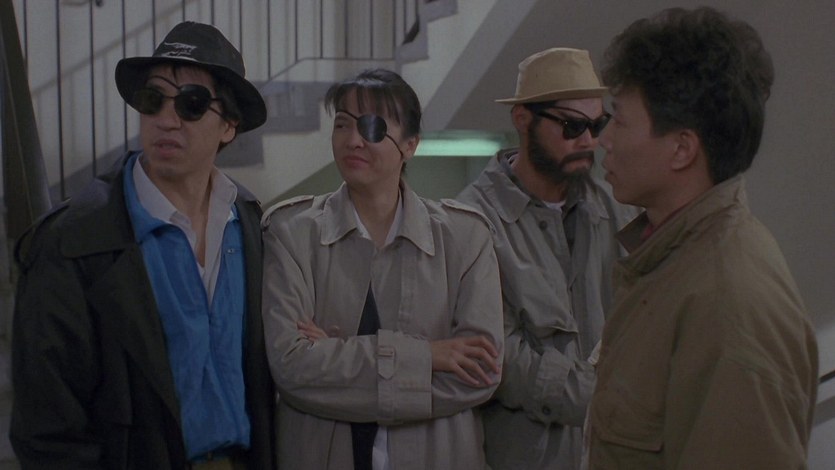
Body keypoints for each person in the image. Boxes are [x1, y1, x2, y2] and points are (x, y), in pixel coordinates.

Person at [10, 22, 276, 469]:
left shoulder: (247, 224)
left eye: (192, 104)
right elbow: (47, 426)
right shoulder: (72, 241)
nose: (166, 119)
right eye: (153, 100)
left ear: (229, 125)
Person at [587, 7, 818, 469]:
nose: (603, 139)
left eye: (621, 120)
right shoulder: (671, 260)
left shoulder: (728, 303)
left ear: (682, 149)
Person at [261, 68, 503, 469]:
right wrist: (428, 356)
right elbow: (292, 368)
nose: (353, 140)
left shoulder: (465, 238)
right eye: (342, 124)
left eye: (372, 126)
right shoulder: (292, 232)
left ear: (410, 145)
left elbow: (480, 373)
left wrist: (336, 361)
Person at [456, 47, 635, 469]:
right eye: (573, 126)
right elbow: (497, 357)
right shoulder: (471, 221)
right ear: (523, 119)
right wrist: (607, 401)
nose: (589, 141)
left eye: (597, 125)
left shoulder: (615, 208)